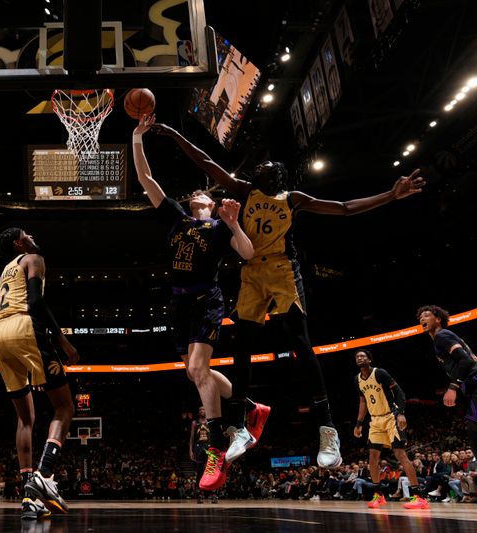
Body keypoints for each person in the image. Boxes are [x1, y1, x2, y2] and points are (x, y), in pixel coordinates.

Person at [151, 120, 425, 468]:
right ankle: (238, 427)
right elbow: (206, 162)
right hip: (252, 273)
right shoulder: (245, 190)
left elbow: (343, 207)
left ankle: (327, 428)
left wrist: (390, 194)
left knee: (298, 342)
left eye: (266, 165)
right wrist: (175, 134)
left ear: (278, 176)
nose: (260, 165)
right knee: (242, 346)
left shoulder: (293, 199)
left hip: (282, 270)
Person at [133, 115, 270, 490]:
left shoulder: (220, 224)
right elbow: (147, 179)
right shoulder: (177, 220)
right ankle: (252, 408)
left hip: (206, 297)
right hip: (178, 304)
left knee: (198, 366)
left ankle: (216, 451)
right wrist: (137, 138)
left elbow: (248, 251)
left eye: (202, 193)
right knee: (196, 374)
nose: (197, 194)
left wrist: (235, 222)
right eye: (193, 194)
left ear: (209, 202)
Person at [0, 227, 79, 520]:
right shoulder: (33, 257)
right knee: (65, 406)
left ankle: (30, 497)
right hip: (24, 328)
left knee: (25, 418)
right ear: (19, 242)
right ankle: (45, 472)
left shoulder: (6, 270)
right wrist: (61, 339)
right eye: (26, 233)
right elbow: (36, 302)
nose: (31, 235)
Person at [352, 349, 428, 510]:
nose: (360, 358)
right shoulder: (357, 379)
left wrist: (400, 413)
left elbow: (399, 391)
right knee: (372, 457)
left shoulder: (379, 373)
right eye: (357, 356)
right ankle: (378, 495)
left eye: (363, 356)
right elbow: (363, 402)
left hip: (391, 416)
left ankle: (419, 497)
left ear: (369, 359)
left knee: (400, 454)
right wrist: (359, 423)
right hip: (375, 420)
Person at [417, 305, 477, 451]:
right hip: (471, 385)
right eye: (420, 317)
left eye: (426, 315)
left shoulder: (441, 336)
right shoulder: (444, 336)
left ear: (438, 319)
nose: (421, 318)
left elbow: (466, 361)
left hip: (474, 382)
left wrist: (452, 387)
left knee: (474, 431)